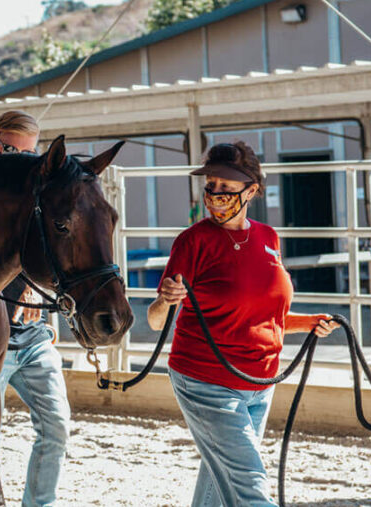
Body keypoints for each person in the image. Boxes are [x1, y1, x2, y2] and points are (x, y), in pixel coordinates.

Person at [148, 141, 339, 507]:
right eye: (211, 187)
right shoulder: (193, 241)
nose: (215, 196)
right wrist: (165, 299)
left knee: (221, 477)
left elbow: (263, 313)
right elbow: (157, 323)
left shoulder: (268, 238)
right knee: (249, 482)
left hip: (259, 383)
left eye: (226, 188)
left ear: (251, 190)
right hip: (206, 381)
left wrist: (309, 323)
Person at [0, 110, 71, 507]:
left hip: (34, 336)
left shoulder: (40, 194)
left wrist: (41, 297)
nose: (22, 159)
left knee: (58, 426)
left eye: (31, 153)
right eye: (12, 150)